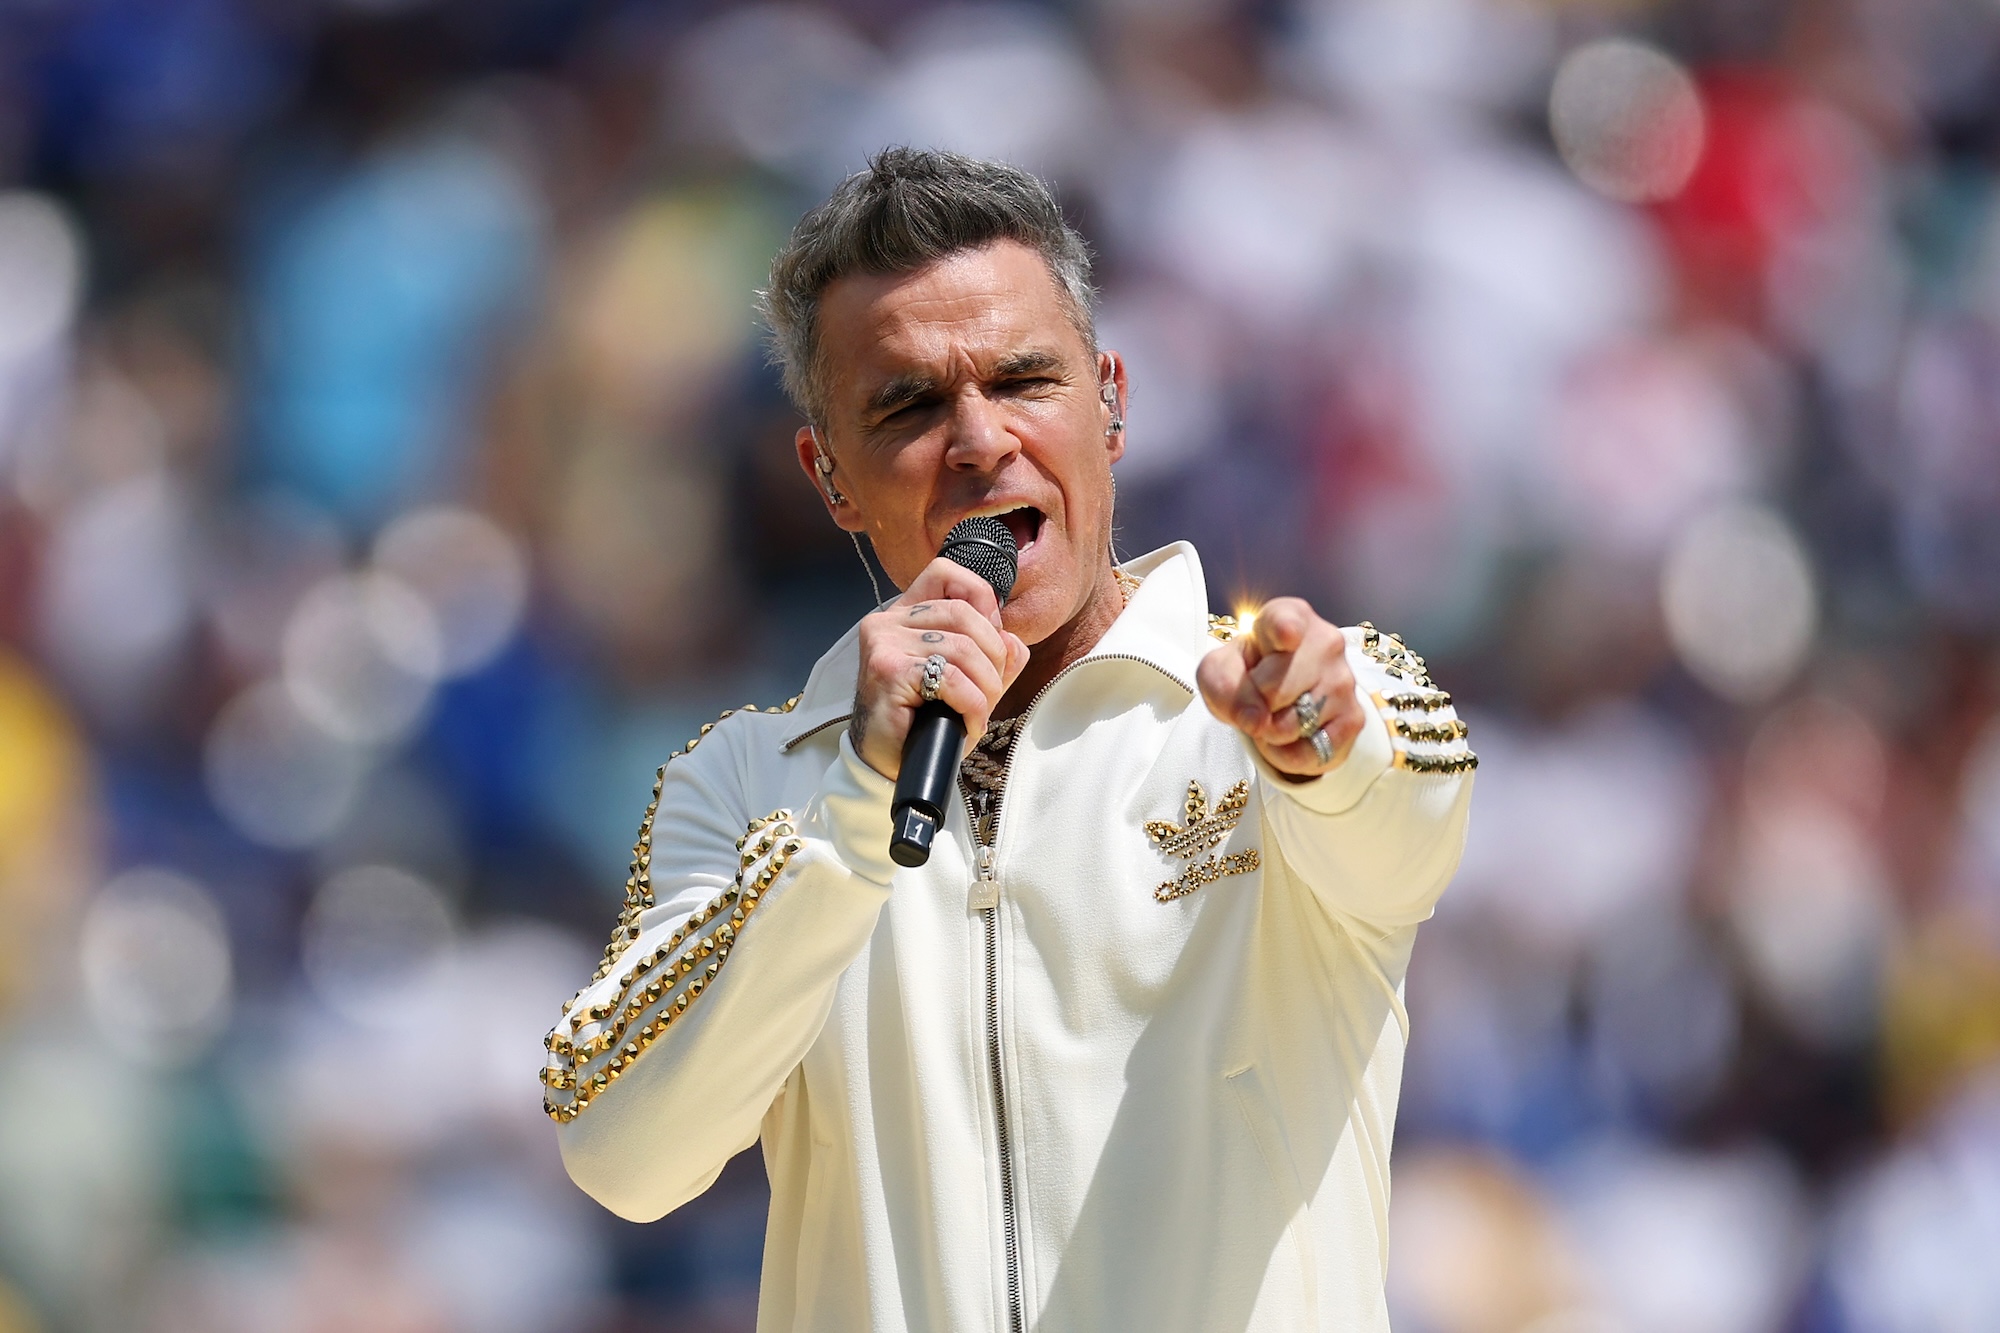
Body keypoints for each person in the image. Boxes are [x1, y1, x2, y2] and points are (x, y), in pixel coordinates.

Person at [543, 147, 1476, 1333]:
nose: (979, 441)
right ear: (826, 473)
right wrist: (857, 811)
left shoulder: (1291, 691)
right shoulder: (742, 784)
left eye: (1023, 381)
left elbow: (1409, 825)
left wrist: (1318, 746)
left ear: (1113, 401)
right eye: (908, 405)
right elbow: (621, 1148)